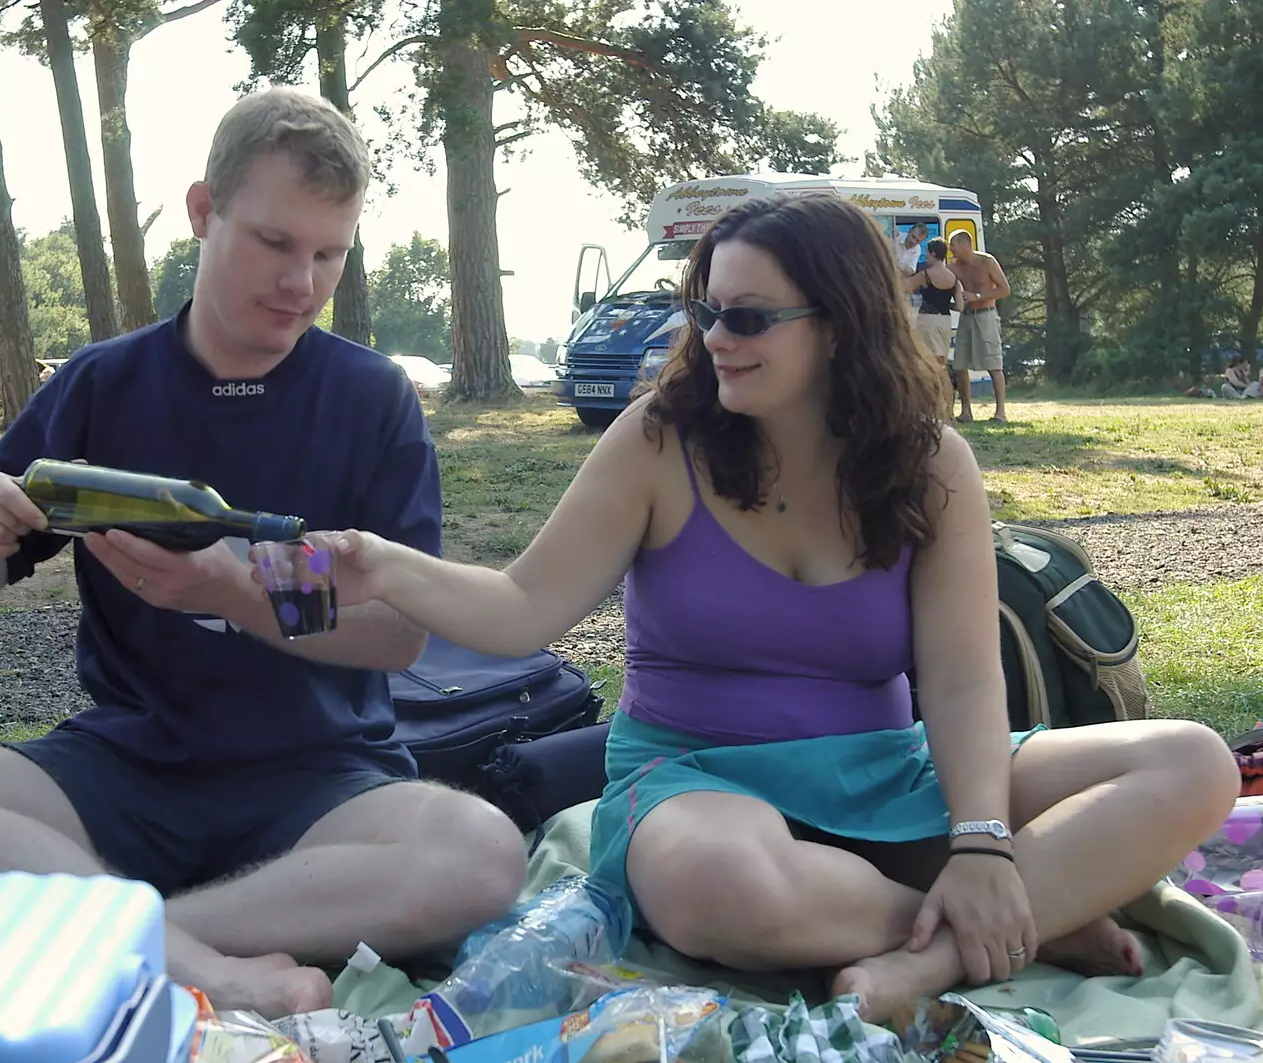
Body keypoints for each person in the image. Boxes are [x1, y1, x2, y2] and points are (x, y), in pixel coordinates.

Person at [299, 194, 1239, 1021]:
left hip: (887, 770)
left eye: (747, 316)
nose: (714, 338)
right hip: (696, 784)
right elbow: (520, 607)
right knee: (720, 886)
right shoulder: (660, 439)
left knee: (1192, 762)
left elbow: (959, 679)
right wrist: (382, 567)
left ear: (839, 324)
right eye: (706, 311)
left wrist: (986, 844)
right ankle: (1031, 919)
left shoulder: (930, 461)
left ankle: (956, 945)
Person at [0, 87, 528, 1018]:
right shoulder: (104, 382)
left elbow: (398, 632)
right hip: (126, 765)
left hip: (321, 783)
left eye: (329, 254)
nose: (302, 284)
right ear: (204, 211)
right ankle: (211, 964)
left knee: (480, 850)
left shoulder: (371, 397)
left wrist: (237, 593)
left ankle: (126, 935)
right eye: (276, 244)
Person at [946, 231, 1010, 423]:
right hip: (966, 316)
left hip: (986, 316)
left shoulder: (987, 262)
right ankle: (966, 411)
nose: (951, 249)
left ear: (966, 244)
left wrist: (979, 297)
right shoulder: (953, 268)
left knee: (993, 364)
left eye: (953, 244)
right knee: (959, 364)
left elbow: (1005, 289)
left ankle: (1000, 412)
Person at [903, 238, 961, 411]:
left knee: (928, 364)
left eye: (927, 253)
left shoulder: (926, 275)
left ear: (934, 254)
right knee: (942, 365)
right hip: (945, 320)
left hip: (927, 319)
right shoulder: (954, 278)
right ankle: (949, 408)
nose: (926, 256)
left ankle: (932, 405)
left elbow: (904, 287)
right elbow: (959, 306)